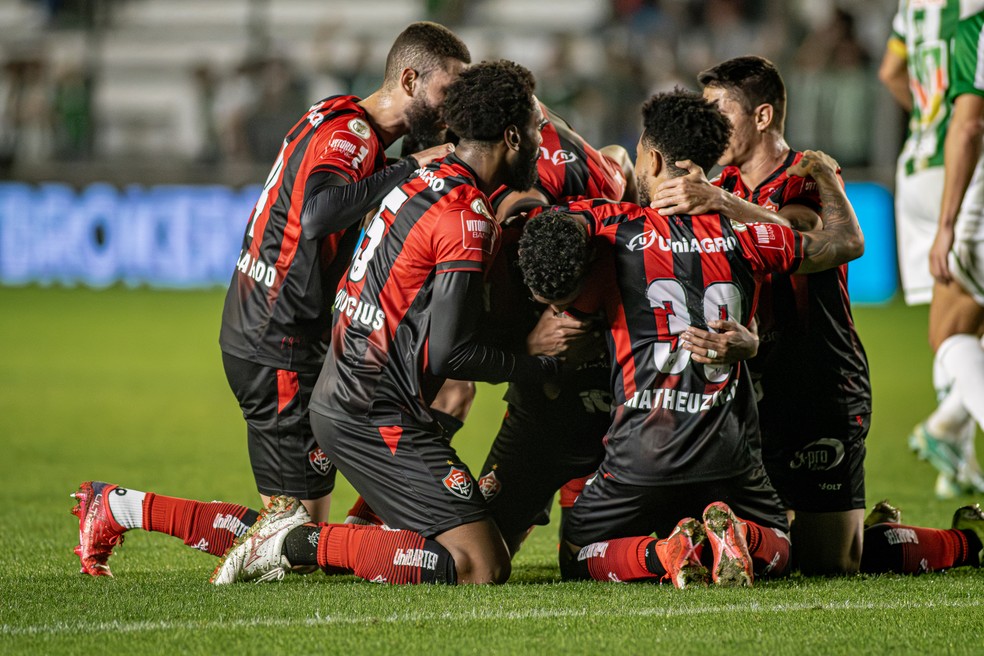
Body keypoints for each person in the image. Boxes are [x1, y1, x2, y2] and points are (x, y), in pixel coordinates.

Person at [70, 21, 470, 577]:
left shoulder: (340, 115)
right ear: (409, 80)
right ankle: (120, 507)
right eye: (448, 91)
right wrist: (409, 168)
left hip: (283, 332)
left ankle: (361, 533)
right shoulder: (353, 136)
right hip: (275, 342)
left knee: (442, 393)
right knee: (292, 543)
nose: (454, 107)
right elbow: (318, 213)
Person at [212, 60, 563, 587]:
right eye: (536, 130)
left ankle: (326, 535)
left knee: (446, 535)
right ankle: (290, 541)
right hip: (373, 412)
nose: (541, 144)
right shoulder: (466, 216)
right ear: (513, 136)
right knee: (481, 566)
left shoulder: (419, 179)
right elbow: (450, 354)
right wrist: (541, 365)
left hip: (349, 391)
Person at [517, 90, 865, 588]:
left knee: (579, 555)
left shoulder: (614, 229)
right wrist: (827, 177)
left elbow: (547, 242)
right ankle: (740, 535)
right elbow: (845, 242)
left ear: (654, 160)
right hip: (729, 459)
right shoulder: (746, 232)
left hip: (640, 457)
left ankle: (664, 553)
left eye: (639, 154)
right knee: (786, 547)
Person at [649, 56, 872, 576]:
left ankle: (953, 541)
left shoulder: (804, 176)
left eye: (721, 111)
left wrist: (721, 203)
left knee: (831, 563)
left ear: (763, 116)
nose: (711, 124)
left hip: (818, 380)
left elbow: (806, 237)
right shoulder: (723, 181)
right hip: (750, 381)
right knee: (772, 538)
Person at [879, 0, 984, 498]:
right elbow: (970, 122)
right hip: (961, 166)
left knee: (953, 320)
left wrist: (927, 116)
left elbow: (890, 71)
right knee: (956, 322)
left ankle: (955, 461)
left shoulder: (912, 4)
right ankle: (949, 433)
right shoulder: (972, 14)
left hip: (917, 163)